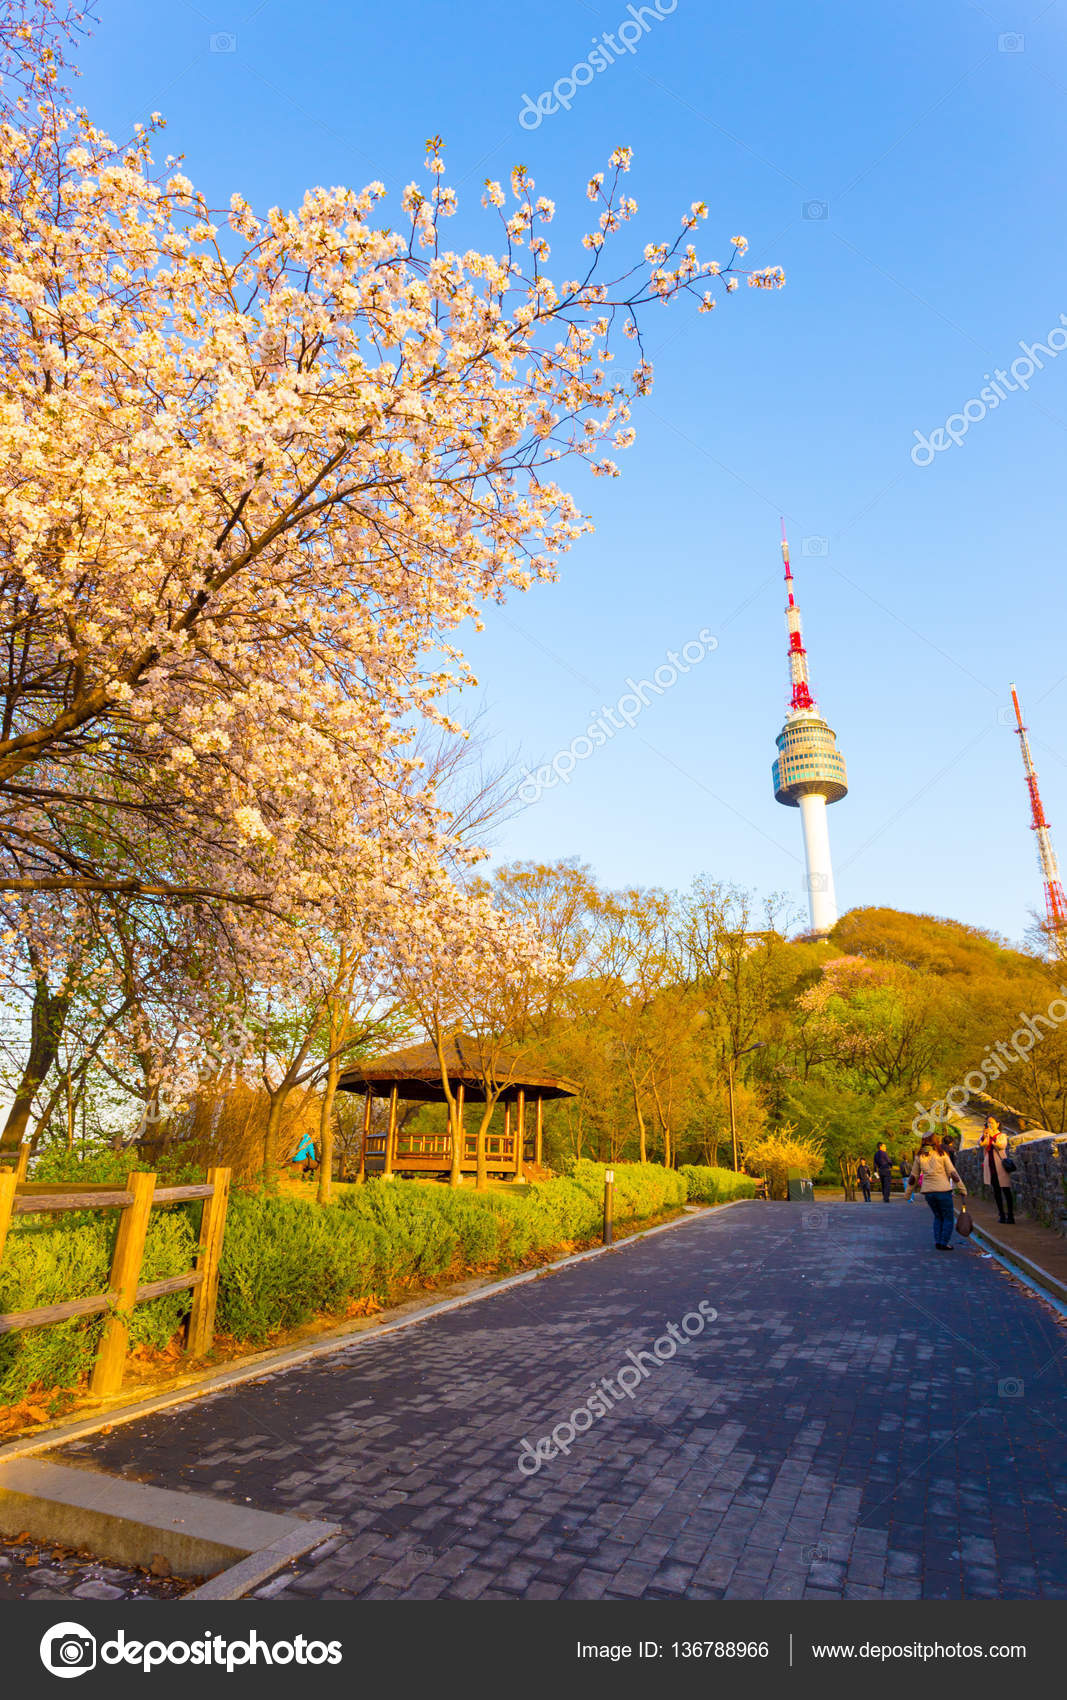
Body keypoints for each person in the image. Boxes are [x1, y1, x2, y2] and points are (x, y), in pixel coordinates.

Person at [905, 1132, 967, 1249]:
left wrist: (908, 1194)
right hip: (943, 1190)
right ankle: (944, 1242)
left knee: (938, 1216)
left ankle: (938, 1241)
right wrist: (962, 1189)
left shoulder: (920, 1156)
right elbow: (953, 1173)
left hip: (928, 1192)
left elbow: (913, 1177)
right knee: (948, 1217)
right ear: (935, 1141)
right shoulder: (942, 1154)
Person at [980, 1115, 1014, 1225]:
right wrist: (985, 1136)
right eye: (988, 1123)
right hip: (991, 1166)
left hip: (1000, 1165)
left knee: (1006, 1190)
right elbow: (981, 1144)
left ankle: (1010, 1215)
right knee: (996, 1192)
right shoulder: (985, 1135)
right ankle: (1001, 1214)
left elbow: (1001, 1146)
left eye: (992, 1123)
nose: (990, 1125)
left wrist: (992, 1138)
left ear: (997, 1124)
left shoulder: (1002, 1135)